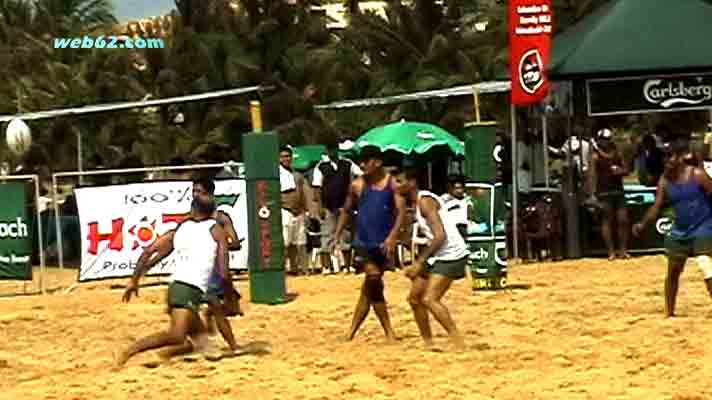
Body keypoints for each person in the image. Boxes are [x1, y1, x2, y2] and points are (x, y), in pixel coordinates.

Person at [114, 179, 231, 368]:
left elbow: (149, 251)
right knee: (176, 335)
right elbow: (224, 270)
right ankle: (130, 351)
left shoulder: (181, 228)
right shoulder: (216, 229)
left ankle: (165, 356)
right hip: (189, 288)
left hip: (176, 286)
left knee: (202, 342)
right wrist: (229, 292)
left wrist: (134, 280)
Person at [393, 164, 469, 349]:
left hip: (452, 253)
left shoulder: (425, 201)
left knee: (429, 299)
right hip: (438, 254)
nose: (395, 186)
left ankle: (458, 340)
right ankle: (428, 342)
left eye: (399, 181)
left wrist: (419, 262)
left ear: (412, 183)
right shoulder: (415, 203)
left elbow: (440, 235)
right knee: (414, 298)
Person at [633, 139, 712, 317]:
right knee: (673, 271)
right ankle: (669, 313)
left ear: (680, 158)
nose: (667, 161)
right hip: (680, 230)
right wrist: (642, 224)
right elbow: (656, 207)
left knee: (705, 265)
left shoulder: (697, 175)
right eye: (665, 157)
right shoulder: (664, 181)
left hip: (704, 227)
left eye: (670, 157)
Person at [333, 149, 406, 342]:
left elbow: (401, 212)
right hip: (363, 242)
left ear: (378, 162)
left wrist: (392, 237)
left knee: (369, 288)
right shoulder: (357, 185)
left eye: (366, 161)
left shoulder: (392, 184)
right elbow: (347, 210)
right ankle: (389, 331)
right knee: (373, 279)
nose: (363, 165)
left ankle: (351, 331)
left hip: (383, 244)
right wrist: (337, 234)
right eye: (361, 162)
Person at [312, 143, 363, 273]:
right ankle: (326, 267)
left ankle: (347, 266)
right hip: (328, 206)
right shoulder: (321, 166)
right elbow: (317, 187)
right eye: (329, 148)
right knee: (326, 236)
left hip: (345, 206)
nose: (332, 151)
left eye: (334, 148)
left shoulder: (347, 163)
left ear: (337, 149)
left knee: (346, 236)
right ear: (326, 150)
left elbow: (361, 174)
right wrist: (319, 206)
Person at [590, 128, 630, 261]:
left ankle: (623, 251)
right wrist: (593, 194)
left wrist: (620, 171)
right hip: (604, 191)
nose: (605, 142)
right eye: (603, 139)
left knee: (623, 220)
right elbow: (592, 175)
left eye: (607, 139)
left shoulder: (617, 153)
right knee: (607, 220)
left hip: (618, 190)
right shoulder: (596, 156)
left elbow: (627, 169)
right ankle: (611, 252)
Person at [279, 145, 308, 275]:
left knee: (299, 242)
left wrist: (305, 209)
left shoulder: (297, 175)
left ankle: (298, 268)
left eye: (288, 156)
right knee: (285, 242)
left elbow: (302, 192)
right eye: (283, 156)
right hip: (285, 209)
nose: (286, 159)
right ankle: (283, 269)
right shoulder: (277, 174)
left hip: (299, 210)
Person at [441, 174, 468, 239]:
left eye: (461, 188)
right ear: (451, 188)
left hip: (463, 228)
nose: (459, 191)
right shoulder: (443, 199)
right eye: (457, 188)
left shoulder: (466, 199)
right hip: (450, 231)